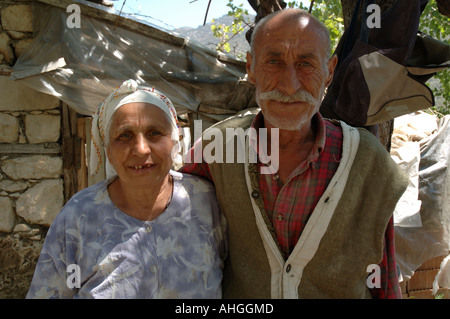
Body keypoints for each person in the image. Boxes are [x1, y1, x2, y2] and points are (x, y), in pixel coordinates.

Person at [180, 9, 408, 298]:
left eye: (306, 63)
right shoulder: (218, 149)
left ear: (329, 71)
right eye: (273, 61)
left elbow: (384, 277)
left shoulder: (367, 160)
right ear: (250, 67)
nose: (290, 85)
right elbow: (174, 227)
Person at [26, 79, 227, 299]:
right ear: (108, 150)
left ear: (174, 141)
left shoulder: (205, 202)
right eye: (125, 135)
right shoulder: (78, 217)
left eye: (154, 133)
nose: (141, 150)